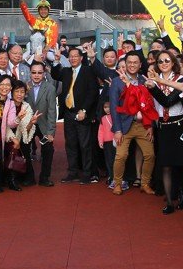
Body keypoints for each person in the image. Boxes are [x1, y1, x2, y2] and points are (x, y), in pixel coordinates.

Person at [146, 51, 183, 215]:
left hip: (179, 126)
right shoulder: (152, 80)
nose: (164, 63)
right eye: (160, 61)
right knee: (166, 166)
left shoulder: (181, 80)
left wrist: (155, 86)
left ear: (173, 62)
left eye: (167, 60)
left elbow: (168, 101)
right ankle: (169, 202)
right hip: (163, 127)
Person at [110, 51, 156, 196]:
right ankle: (117, 184)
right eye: (129, 62)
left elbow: (150, 105)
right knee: (121, 156)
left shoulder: (145, 80)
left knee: (150, 155)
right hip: (124, 126)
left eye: (135, 62)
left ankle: (145, 183)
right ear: (125, 64)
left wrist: (150, 126)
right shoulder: (117, 82)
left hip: (143, 125)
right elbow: (113, 107)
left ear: (140, 64)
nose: (132, 65)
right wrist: (117, 130)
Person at [53, 46, 99, 183]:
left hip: (82, 113)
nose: (73, 58)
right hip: (68, 113)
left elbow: (93, 92)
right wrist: (56, 60)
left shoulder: (88, 71)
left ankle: (87, 173)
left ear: (81, 58)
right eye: (71, 56)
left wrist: (84, 110)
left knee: (85, 145)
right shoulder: (66, 71)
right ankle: (72, 172)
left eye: (75, 56)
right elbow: (55, 74)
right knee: (71, 144)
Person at [25, 61, 57, 187]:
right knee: (25, 150)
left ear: (44, 73)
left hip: (44, 126)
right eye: (34, 72)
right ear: (30, 73)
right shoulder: (25, 86)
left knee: (48, 150)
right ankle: (29, 177)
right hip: (28, 124)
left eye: (39, 72)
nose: (36, 75)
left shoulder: (50, 88)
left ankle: (45, 177)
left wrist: (51, 132)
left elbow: (52, 111)